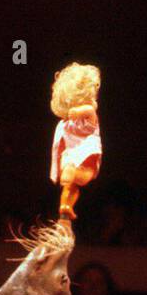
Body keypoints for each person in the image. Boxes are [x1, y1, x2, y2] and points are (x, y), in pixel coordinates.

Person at [49, 62, 102, 223]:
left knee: (80, 178)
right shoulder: (65, 123)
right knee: (71, 187)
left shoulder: (87, 114)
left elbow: (90, 110)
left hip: (84, 154)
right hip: (73, 156)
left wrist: (77, 112)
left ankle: (72, 176)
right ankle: (65, 208)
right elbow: (58, 145)